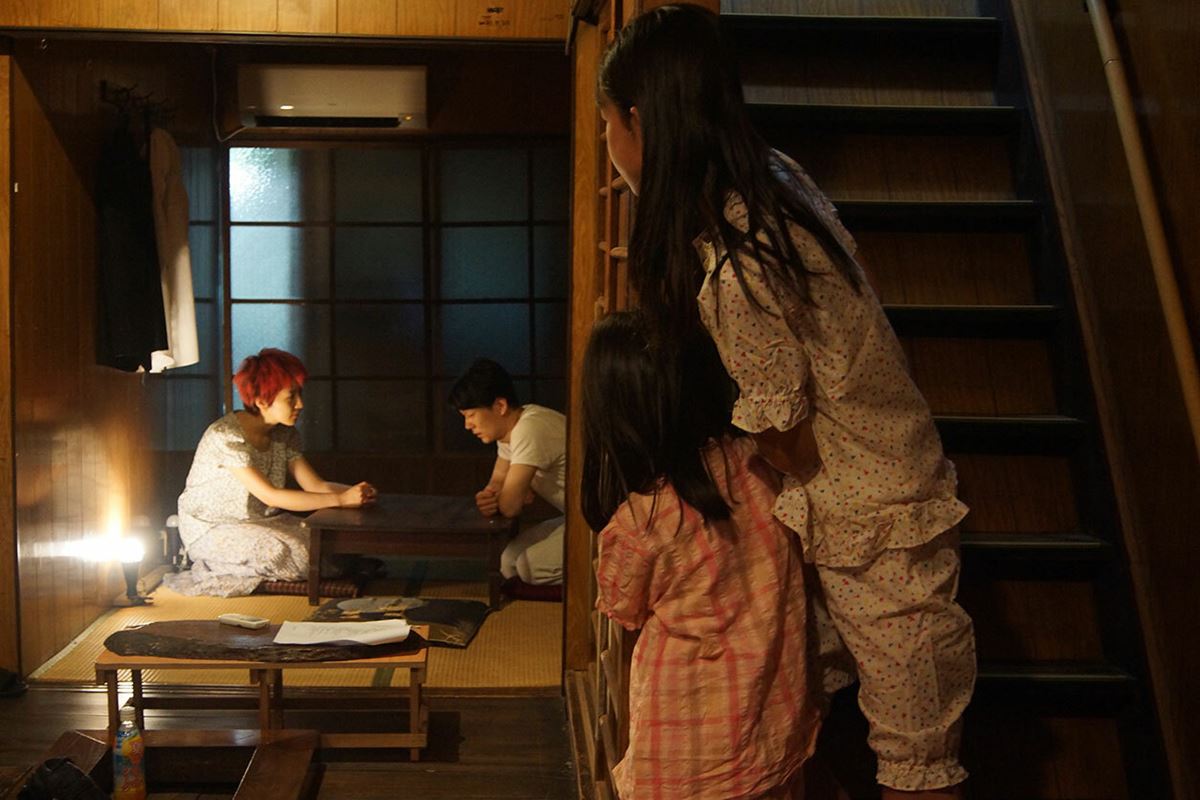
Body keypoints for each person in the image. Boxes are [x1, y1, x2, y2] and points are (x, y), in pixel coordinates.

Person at [598, 6, 976, 798]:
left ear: (641, 121)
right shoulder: (774, 180)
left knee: (917, 762)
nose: (608, 141)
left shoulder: (738, 270)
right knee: (845, 728)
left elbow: (788, 441)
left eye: (608, 122)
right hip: (895, 480)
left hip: (870, 523)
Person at [582, 311, 819, 799]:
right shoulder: (758, 466)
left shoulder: (643, 522)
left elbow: (623, 608)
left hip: (688, 747)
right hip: (775, 719)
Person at [165, 348, 377, 597]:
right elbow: (271, 496)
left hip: (263, 521)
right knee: (300, 555)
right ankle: (213, 564)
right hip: (214, 527)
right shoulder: (226, 436)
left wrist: (356, 493)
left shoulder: (284, 433)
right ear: (261, 400)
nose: (300, 404)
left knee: (333, 545)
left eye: (300, 394)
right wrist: (341, 500)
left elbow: (315, 486)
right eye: (291, 397)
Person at [449, 358, 566, 587]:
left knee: (529, 567)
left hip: (601, 521)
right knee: (508, 563)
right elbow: (497, 485)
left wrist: (510, 495)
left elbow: (510, 506)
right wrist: (489, 497)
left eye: (471, 415)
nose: (467, 425)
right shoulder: (508, 432)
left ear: (500, 406)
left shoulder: (529, 428)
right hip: (574, 518)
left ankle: (607, 570)